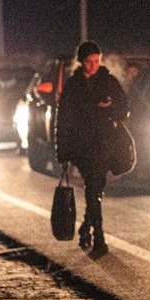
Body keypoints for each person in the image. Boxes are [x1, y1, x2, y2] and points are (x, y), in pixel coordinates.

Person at [56, 41, 129, 257]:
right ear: (81, 61)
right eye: (88, 61)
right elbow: (64, 119)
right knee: (92, 186)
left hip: (105, 144)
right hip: (82, 147)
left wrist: (111, 109)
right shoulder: (73, 86)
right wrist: (62, 151)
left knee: (95, 188)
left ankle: (86, 227)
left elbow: (124, 107)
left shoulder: (108, 80)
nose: (93, 65)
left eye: (96, 61)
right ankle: (99, 236)